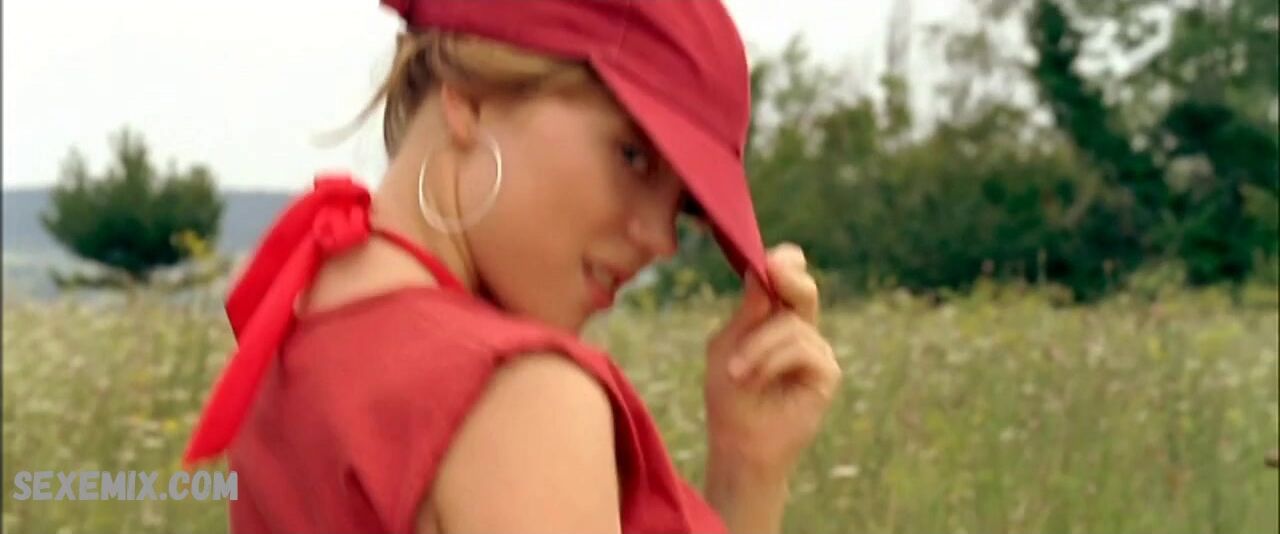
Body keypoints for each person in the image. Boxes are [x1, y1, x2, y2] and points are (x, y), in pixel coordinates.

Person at [182, 1, 843, 533]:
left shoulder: (302, 319)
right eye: (633, 157)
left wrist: (748, 465)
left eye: (682, 206)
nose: (659, 238)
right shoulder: (523, 396)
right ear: (470, 98)